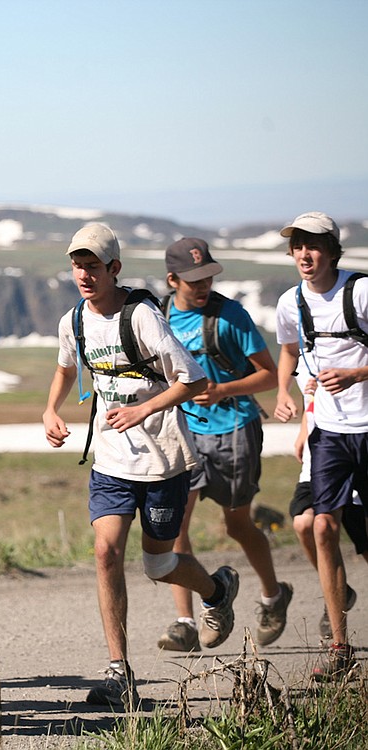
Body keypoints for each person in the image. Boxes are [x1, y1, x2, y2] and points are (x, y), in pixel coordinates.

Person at [42, 223, 239, 710]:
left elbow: (190, 381)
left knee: (158, 564)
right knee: (105, 552)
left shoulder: (144, 316)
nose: (84, 275)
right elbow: (67, 366)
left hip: (163, 459)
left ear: (114, 269)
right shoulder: (75, 322)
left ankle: (216, 590)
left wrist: (141, 410)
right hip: (111, 460)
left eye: (93, 266)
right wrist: (50, 410)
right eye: (77, 265)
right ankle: (118, 673)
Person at [154, 238, 288, 653]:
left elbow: (269, 377)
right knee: (176, 524)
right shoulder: (157, 317)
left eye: (208, 276)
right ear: (172, 279)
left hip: (233, 430)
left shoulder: (230, 316)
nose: (203, 285)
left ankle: (272, 597)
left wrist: (223, 389)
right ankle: (185, 622)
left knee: (237, 524)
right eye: (194, 279)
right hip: (183, 432)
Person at [273, 211, 368, 681]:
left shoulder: (361, 291)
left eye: (312, 246)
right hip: (328, 431)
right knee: (322, 527)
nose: (304, 255)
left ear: (332, 250)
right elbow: (289, 350)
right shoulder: (290, 302)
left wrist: (356, 373)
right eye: (297, 247)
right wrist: (284, 392)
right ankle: (341, 648)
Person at [289, 371, 368, 640]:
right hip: (322, 454)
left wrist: (356, 376)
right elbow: (308, 393)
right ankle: (338, 599)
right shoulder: (302, 344)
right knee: (309, 523)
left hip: (357, 438)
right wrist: (302, 426)